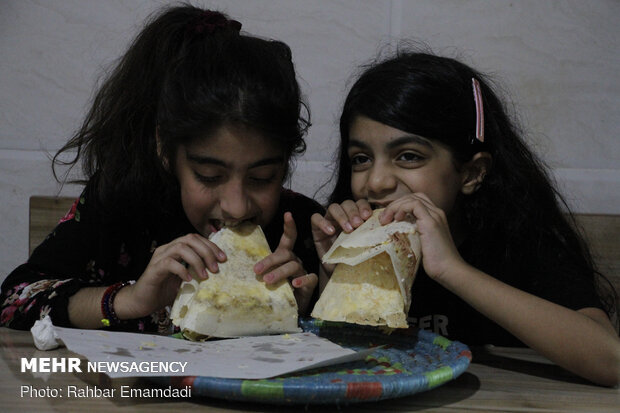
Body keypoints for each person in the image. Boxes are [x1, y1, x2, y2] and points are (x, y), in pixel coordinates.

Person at [1, 5, 323, 334]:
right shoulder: (120, 206)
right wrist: (130, 299)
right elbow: (14, 300)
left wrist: (298, 314)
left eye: (261, 178)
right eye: (209, 177)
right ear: (165, 150)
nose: (237, 207)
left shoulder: (303, 230)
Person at [311, 49, 620, 386]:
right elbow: (342, 369)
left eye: (409, 156)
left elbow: (610, 361)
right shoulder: (345, 236)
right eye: (361, 159)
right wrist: (338, 276)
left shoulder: (522, 241)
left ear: (472, 173)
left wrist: (452, 270)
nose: (375, 182)